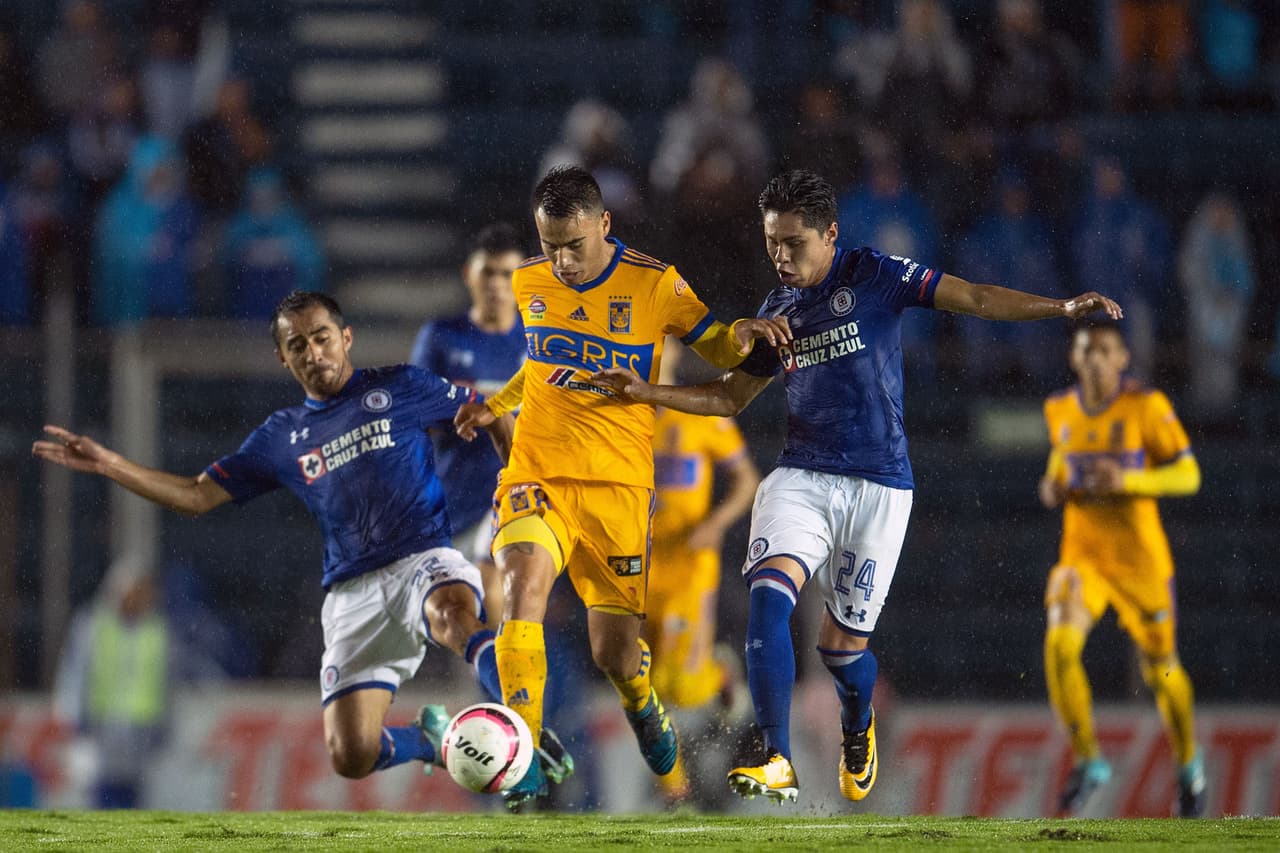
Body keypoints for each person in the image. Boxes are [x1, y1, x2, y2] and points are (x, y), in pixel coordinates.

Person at [590, 169, 1121, 804]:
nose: (781, 256)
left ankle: (857, 722)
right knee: (768, 598)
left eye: (794, 243)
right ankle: (777, 756)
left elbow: (976, 298)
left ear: (830, 234)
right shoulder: (777, 311)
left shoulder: (877, 275)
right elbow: (729, 399)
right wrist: (647, 393)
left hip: (880, 485)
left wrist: (1059, 308)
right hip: (802, 477)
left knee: (842, 654)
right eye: (772, 243)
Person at [32, 290, 574, 788]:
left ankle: (526, 725)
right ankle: (432, 741)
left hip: (422, 558)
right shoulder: (281, 437)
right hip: (353, 593)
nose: (314, 352)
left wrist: (517, 486)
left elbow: (490, 411)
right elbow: (196, 495)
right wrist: (110, 464)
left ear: (346, 337)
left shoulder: (402, 386)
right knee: (352, 754)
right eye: (298, 345)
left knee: (453, 616)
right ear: (283, 359)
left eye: (321, 337)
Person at [453, 165, 790, 809]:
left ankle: (642, 706)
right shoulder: (530, 281)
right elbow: (543, 365)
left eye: (573, 245)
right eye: (550, 245)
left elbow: (719, 349)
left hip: (617, 491)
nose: (562, 261)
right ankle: (523, 755)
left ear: (604, 224)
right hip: (539, 473)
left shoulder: (655, 283)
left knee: (616, 655)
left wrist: (743, 336)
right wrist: (496, 406)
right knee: (520, 590)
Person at [1038, 319, 1206, 818]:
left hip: (1140, 563)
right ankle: (1088, 759)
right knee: (1060, 647)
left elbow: (1189, 474)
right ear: (1074, 358)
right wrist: (1051, 487)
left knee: (1162, 672)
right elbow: (1059, 464)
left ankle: (1189, 764)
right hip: (1083, 559)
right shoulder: (1058, 408)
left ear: (1122, 359)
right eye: (1085, 350)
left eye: (1104, 350)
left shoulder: (1145, 406)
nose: (1094, 359)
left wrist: (1130, 480)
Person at [646, 337, 760, 804]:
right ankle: (674, 790)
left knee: (677, 685)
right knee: (638, 681)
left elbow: (747, 479)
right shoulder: (620, 417)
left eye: (662, 345)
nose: (654, 354)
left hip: (689, 567)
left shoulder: (700, 412)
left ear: (676, 353)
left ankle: (718, 676)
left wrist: (715, 523)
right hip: (635, 567)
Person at [410, 223, 527, 625]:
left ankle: (510, 668)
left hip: (517, 495)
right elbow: (415, 413)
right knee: (459, 614)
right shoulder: (442, 338)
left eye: (507, 274)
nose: (496, 284)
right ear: (468, 275)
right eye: (487, 273)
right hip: (455, 494)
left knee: (495, 584)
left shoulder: (538, 343)